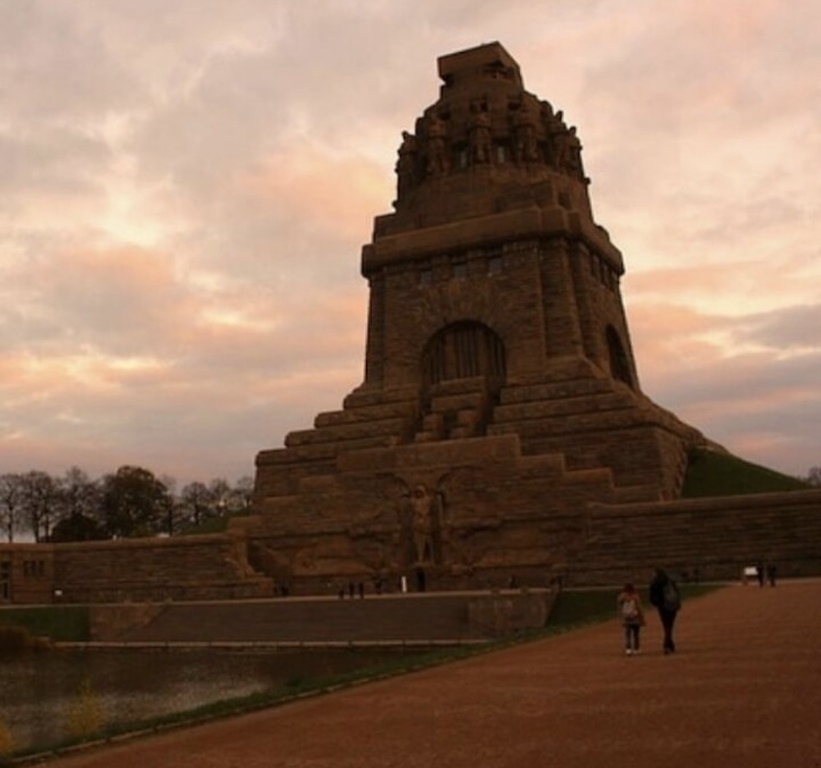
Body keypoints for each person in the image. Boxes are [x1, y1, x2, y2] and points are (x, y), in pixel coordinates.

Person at [649, 568, 681, 655]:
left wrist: (655, 603)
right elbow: (677, 592)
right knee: (670, 625)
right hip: (672, 604)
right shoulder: (670, 581)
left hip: (662, 606)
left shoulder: (655, 583)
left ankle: (667, 645)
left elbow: (652, 596)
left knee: (666, 625)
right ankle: (670, 644)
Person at [616, 583, 645, 656]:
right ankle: (636, 648)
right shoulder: (635, 596)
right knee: (636, 634)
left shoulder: (622, 597)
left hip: (627, 618)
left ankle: (628, 648)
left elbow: (619, 607)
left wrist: (621, 617)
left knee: (627, 634)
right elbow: (639, 608)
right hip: (635, 618)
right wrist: (642, 618)